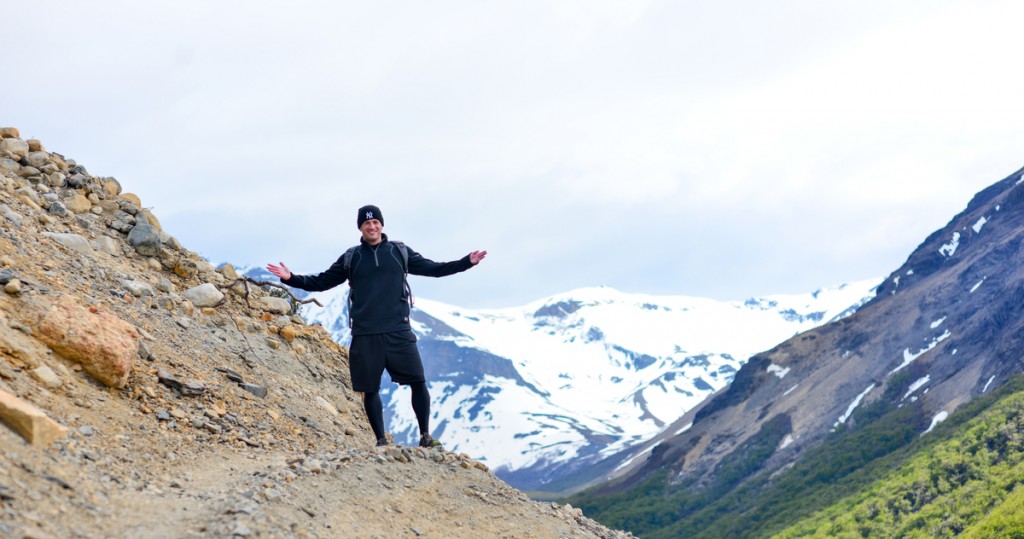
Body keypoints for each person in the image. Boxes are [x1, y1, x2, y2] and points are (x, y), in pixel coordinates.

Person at [267, 204, 486, 448]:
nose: (372, 226)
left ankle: (425, 436)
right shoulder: (352, 258)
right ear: (360, 227)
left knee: (418, 381)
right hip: (365, 333)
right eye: (366, 223)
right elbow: (323, 281)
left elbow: (434, 269)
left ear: (381, 224)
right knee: (370, 389)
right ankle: (381, 441)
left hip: (398, 330)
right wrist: (291, 278)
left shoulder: (398, 252)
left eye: (375, 222)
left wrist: (466, 262)